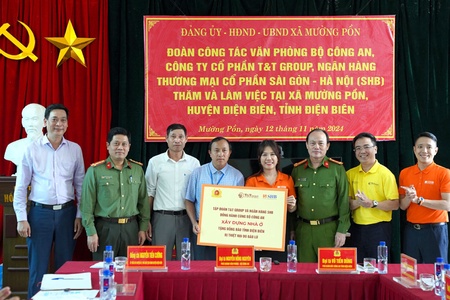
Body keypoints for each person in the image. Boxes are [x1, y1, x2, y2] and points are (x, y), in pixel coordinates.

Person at [13, 103, 85, 298]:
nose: (58, 124)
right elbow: (20, 187)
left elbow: (81, 186)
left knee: (65, 268)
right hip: (39, 215)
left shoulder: (75, 150)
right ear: (45, 122)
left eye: (63, 120)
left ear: (67, 124)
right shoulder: (31, 150)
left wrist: (79, 215)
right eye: (54, 119)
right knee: (38, 268)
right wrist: (21, 218)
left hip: (67, 214)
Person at [81, 127, 150, 260]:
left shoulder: (137, 170)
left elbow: (143, 203)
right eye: (116, 143)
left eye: (124, 144)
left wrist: (143, 228)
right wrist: (90, 232)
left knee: (130, 273)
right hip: (105, 229)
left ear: (129, 147)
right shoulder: (95, 171)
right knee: (104, 271)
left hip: (131, 229)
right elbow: (86, 205)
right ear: (108, 146)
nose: (120, 147)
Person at [291, 128, 350, 262]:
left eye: (320, 143)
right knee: (304, 275)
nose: (316, 147)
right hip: (303, 231)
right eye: (312, 143)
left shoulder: (337, 169)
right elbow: (292, 202)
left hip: (329, 231)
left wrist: (342, 230)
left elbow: (343, 201)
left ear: (327, 146)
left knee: (329, 276)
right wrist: (292, 229)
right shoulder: (298, 170)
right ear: (306, 145)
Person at [145, 124, 200, 260]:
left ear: (186, 139)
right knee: (160, 261)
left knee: (186, 261)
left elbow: (198, 195)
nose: (177, 140)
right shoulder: (155, 162)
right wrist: (146, 220)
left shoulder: (194, 163)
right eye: (173, 136)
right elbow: (149, 192)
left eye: (181, 137)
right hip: (162, 218)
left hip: (186, 219)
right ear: (166, 138)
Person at [185, 136, 244, 260]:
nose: (220, 154)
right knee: (201, 267)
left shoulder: (237, 176)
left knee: (224, 267)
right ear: (210, 153)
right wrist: (194, 222)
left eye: (224, 150)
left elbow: (240, 206)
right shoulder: (197, 173)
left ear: (229, 153)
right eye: (216, 150)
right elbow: (189, 200)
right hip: (201, 229)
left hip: (226, 230)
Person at [346, 132, 399, 263]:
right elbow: (346, 204)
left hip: (379, 229)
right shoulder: (350, 174)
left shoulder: (385, 174)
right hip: (356, 229)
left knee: (377, 268)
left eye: (366, 147)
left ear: (375, 149)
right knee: (357, 269)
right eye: (358, 148)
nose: (362, 151)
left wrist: (372, 203)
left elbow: (395, 204)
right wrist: (358, 202)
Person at [399, 132, 450, 263]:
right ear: (414, 149)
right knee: (409, 275)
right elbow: (403, 206)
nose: (424, 151)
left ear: (436, 150)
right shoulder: (405, 173)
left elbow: (447, 204)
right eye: (420, 146)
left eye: (429, 147)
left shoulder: (444, 173)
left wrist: (419, 200)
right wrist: (409, 198)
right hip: (411, 231)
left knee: (436, 274)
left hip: (435, 231)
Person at [245, 140, 297, 262]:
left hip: (281, 233)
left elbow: (292, 209)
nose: (269, 158)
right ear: (259, 158)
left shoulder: (287, 179)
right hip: (258, 231)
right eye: (264, 154)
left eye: (272, 154)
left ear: (278, 157)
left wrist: (292, 205)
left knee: (280, 270)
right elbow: (247, 211)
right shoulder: (252, 181)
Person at [4, 103, 45, 170]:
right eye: (27, 119)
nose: (30, 124)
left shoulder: (54, 147)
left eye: (34, 119)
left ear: (44, 122)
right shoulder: (13, 147)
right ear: (23, 122)